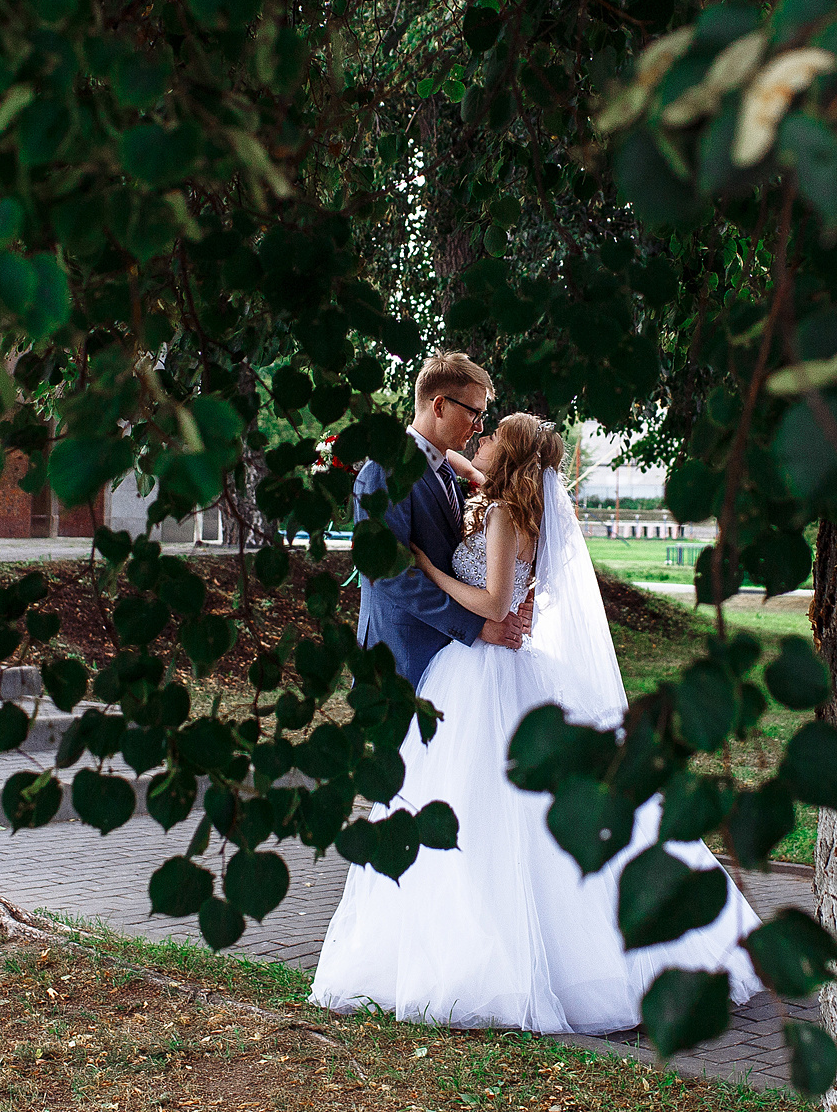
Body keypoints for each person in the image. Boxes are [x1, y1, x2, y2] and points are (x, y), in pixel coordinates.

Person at [311, 412, 763, 1034]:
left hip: (486, 668)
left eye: (491, 434)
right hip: (493, 668)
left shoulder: (502, 516)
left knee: (482, 809)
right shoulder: (514, 504)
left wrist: (429, 566)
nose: (481, 440)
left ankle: (495, 954)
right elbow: (470, 474)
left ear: (512, 452)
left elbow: (495, 604)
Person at [351, 351, 531, 683]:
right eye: (474, 413)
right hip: (400, 659)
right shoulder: (383, 472)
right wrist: (475, 625)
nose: (479, 427)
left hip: (448, 661)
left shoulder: (446, 469)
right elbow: (390, 575)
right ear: (439, 407)